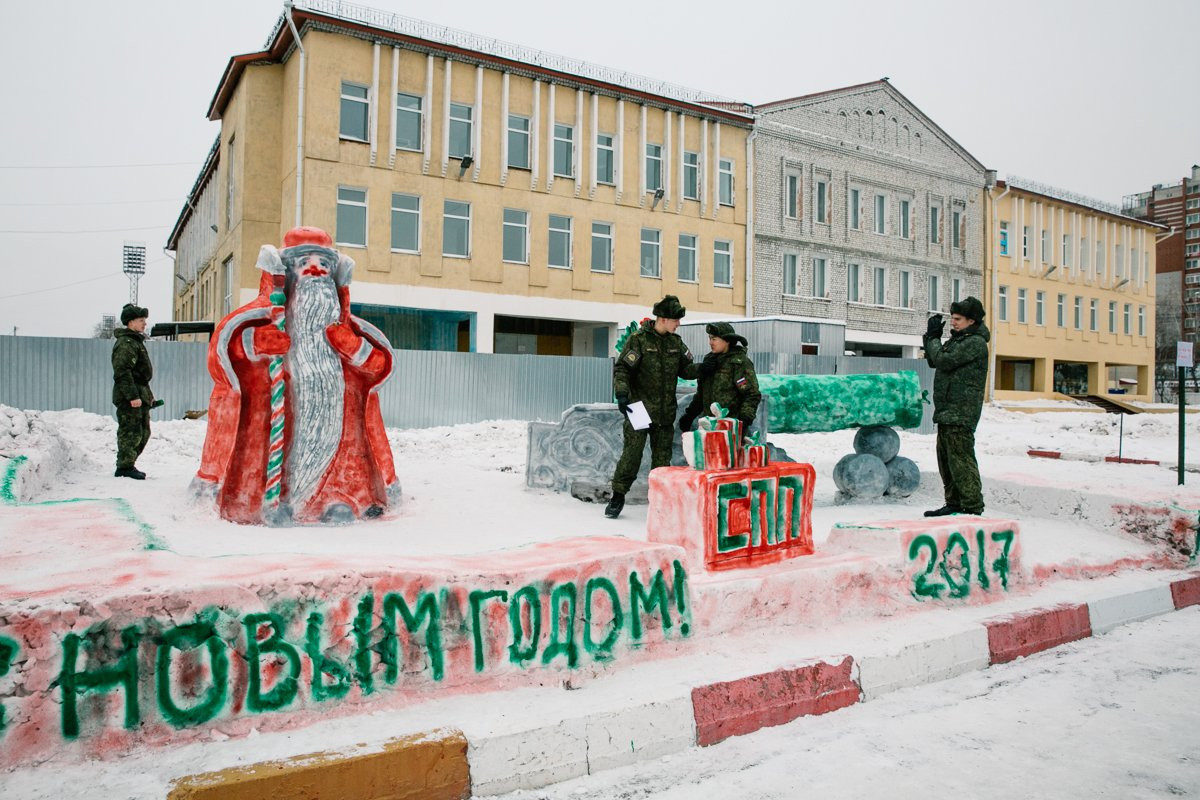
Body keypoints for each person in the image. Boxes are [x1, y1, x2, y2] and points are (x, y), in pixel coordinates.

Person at [193, 227, 400, 525]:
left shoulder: (348, 329)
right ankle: (278, 498)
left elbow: (379, 368)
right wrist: (256, 342)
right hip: (278, 429)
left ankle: (334, 497)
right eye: (304, 263)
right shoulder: (268, 320)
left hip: (338, 432)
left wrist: (353, 347)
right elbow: (223, 356)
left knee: (344, 451)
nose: (316, 270)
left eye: (324, 264)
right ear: (288, 273)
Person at [605, 294, 699, 519]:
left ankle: (660, 502)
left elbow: (687, 370)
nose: (678, 324)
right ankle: (618, 496)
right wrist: (622, 393)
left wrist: (706, 368)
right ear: (663, 319)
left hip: (665, 411)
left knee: (662, 462)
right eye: (676, 320)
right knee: (632, 455)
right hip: (639, 408)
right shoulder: (639, 340)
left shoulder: (676, 343)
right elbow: (623, 369)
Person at [922, 296, 990, 516]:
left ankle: (972, 506)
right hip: (947, 410)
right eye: (952, 318)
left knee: (961, 460)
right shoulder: (959, 340)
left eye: (958, 319)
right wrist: (930, 337)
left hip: (961, 411)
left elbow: (943, 360)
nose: (953, 322)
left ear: (972, 320)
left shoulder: (975, 343)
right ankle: (954, 502)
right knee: (946, 460)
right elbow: (934, 359)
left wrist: (934, 339)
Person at [678, 321, 761, 437]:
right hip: (708, 427)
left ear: (727, 341)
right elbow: (701, 393)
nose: (710, 342)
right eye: (709, 338)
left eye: (714, 339)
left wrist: (743, 421)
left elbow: (751, 395)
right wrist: (690, 415)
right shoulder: (709, 361)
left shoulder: (739, 363)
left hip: (730, 429)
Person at [112, 304, 154, 480]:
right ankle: (124, 467)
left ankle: (129, 463)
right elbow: (122, 372)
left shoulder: (135, 341)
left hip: (139, 393)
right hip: (130, 396)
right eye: (141, 320)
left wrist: (148, 396)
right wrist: (132, 396)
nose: (145, 323)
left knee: (143, 432)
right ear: (130, 322)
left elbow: (141, 376)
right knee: (131, 431)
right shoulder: (126, 343)